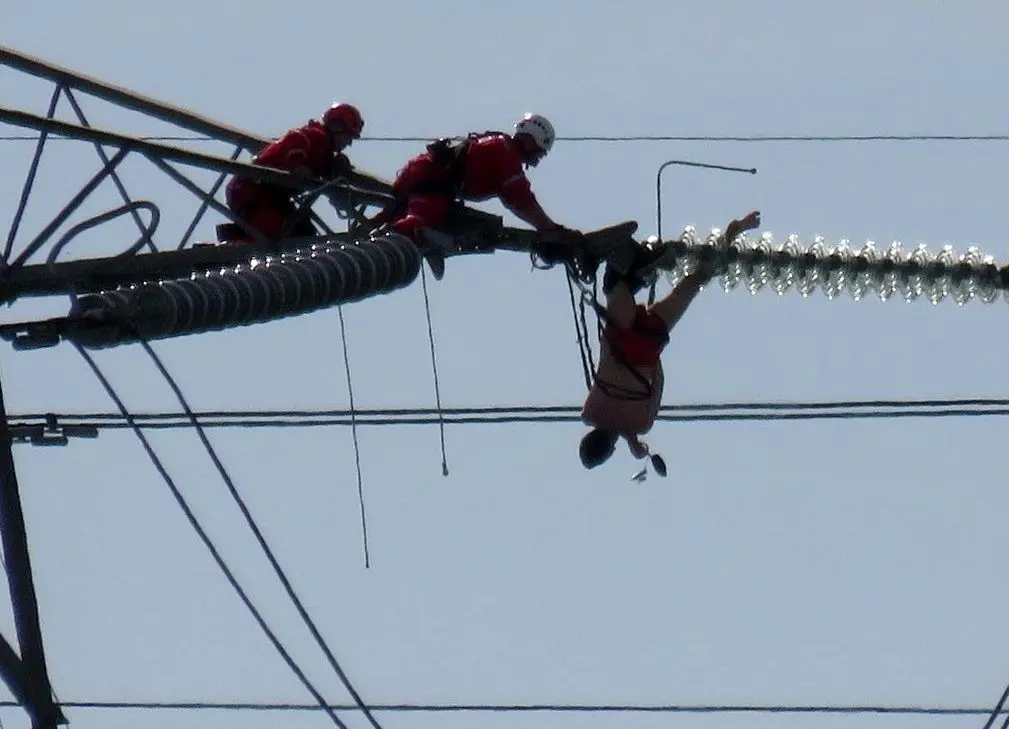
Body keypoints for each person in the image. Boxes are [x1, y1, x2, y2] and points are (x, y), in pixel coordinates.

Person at [577, 210, 762, 474]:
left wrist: (654, 358)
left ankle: (734, 231)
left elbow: (658, 384)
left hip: (648, 343)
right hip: (622, 333)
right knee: (614, 284)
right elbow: (610, 420)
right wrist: (630, 440)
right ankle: (635, 265)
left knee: (696, 281)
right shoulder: (590, 413)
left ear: (609, 451)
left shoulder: (641, 423)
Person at [369, 112, 580, 280]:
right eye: (541, 150)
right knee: (421, 222)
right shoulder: (505, 152)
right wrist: (548, 228)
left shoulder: (500, 147)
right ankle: (381, 242)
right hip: (430, 181)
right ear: (534, 140)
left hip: (427, 178)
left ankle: (371, 236)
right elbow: (519, 198)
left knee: (411, 219)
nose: (540, 157)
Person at [221, 102, 364, 242]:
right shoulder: (315, 137)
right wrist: (299, 166)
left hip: (268, 193)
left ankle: (238, 238)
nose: (349, 143)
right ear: (337, 126)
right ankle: (234, 242)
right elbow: (295, 143)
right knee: (290, 237)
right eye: (348, 136)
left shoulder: (324, 153)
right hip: (252, 191)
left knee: (304, 233)